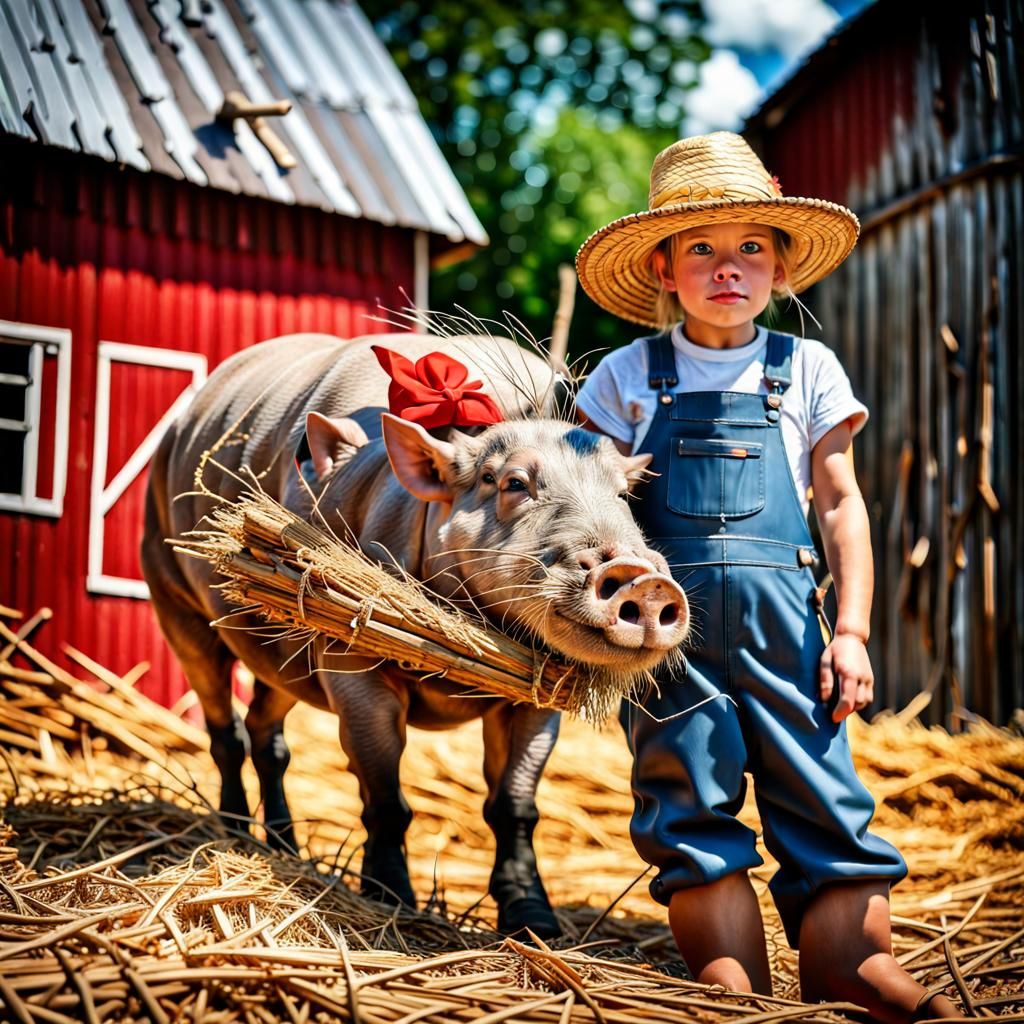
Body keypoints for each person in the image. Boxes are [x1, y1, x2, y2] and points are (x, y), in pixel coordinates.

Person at [573, 131, 962, 1022]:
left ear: (781, 269)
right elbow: (589, 508)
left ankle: (854, 969)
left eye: (751, 246)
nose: (727, 266)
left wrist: (852, 632)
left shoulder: (806, 367)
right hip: (667, 642)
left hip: (789, 630)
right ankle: (732, 991)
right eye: (701, 249)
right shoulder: (625, 376)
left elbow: (842, 504)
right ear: (664, 269)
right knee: (687, 802)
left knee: (823, 796)